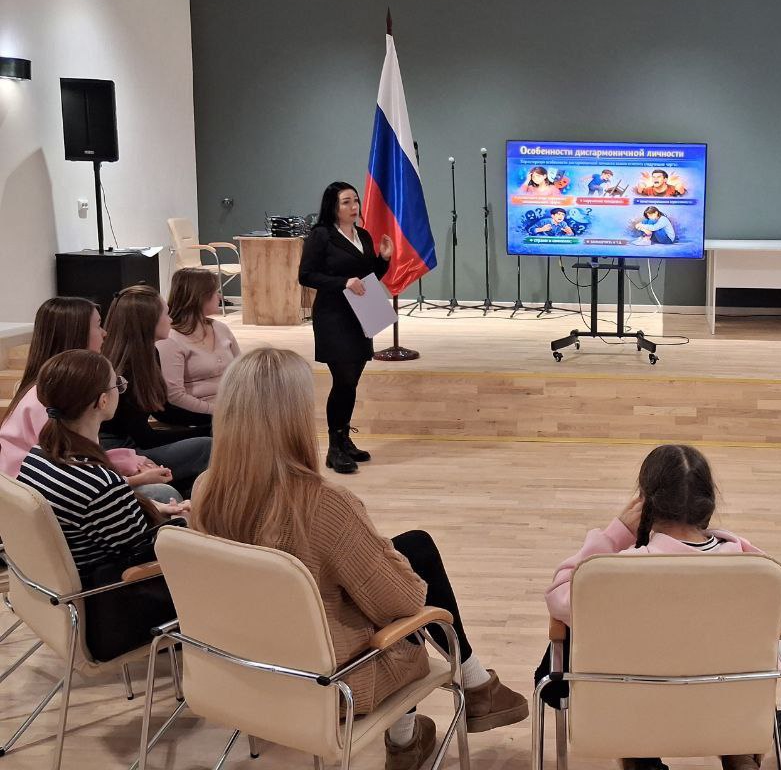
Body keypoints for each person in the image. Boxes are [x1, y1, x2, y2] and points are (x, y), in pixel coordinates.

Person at [191, 347, 527, 770]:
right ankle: (440, 710)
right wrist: (377, 553)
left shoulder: (206, 491)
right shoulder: (323, 505)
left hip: (243, 669)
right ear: (295, 417)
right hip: (334, 681)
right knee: (403, 579)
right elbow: (403, 601)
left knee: (410, 547)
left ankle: (444, 712)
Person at [541, 444, 763, 770]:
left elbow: (558, 595)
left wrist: (614, 535)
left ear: (645, 503)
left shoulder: (618, 572)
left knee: (570, 644)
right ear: (708, 501)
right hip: (725, 709)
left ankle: (641, 759)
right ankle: (737, 750)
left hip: (640, 710)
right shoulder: (752, 563)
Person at [16, 349, 187, 661]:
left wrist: (154, 510)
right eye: (117, 384)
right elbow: (144, 554)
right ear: (102, 401)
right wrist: (190, 527)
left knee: (167, 503)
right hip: (112, 609)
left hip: (58, 599)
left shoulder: (39, 455)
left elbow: (97, 518)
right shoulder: (100, 483)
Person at [1, 296, 182, 504]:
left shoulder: (62, 389)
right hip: (41, 498)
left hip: (61, 487)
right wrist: (137, 479)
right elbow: (69, 479)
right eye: (98, 325)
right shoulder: (49, 400)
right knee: (163, 494)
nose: (105, 333)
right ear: (76, 333)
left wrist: (132, 461)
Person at [298, 181, 393, 474]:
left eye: (355, 201)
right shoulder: (321, 236)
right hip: (333, 316)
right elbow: (306, 275)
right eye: (346, 202)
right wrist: (342, 283)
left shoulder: (362, 235)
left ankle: (344, 439)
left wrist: (383, 259)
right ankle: (334, 448)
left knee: (352, 381)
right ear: (333, 206)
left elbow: (368, 277)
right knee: (343, 380)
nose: (354, 207)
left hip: (361, 315)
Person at [100, 286, 213, 498]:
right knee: (209, 447)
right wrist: (206, 430)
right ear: (148, 321)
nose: (171, 320)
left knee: (208, 441)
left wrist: (212, 420)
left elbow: (163, 410)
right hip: (123, 454)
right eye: (166, 314)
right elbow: (145, 437)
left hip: (135, 446)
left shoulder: (148, 354)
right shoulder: (124, 372)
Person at [155, 267, 241, 431]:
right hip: (200, 413)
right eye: (215, 292)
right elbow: (175, 396)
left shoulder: (220, 328)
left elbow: (242, 371)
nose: (220, 297)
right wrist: (217, 411)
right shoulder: (171, 339)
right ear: (199, 298)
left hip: (233, 404)